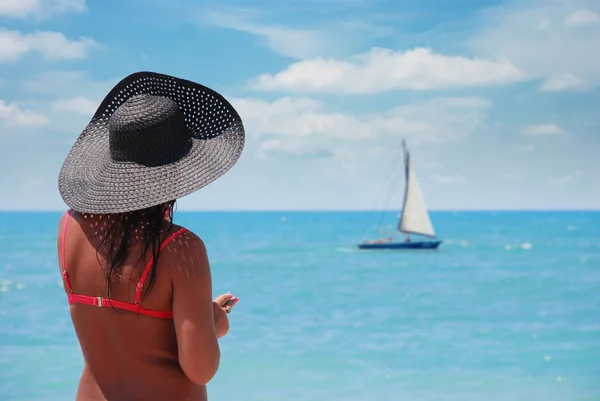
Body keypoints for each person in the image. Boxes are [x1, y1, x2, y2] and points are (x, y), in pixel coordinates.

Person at [56, 72, 245, 401]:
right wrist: (214, 319)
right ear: (175, 169)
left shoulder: (69, 227)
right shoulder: (180, 247)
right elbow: (200, 368)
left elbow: (122, 334)